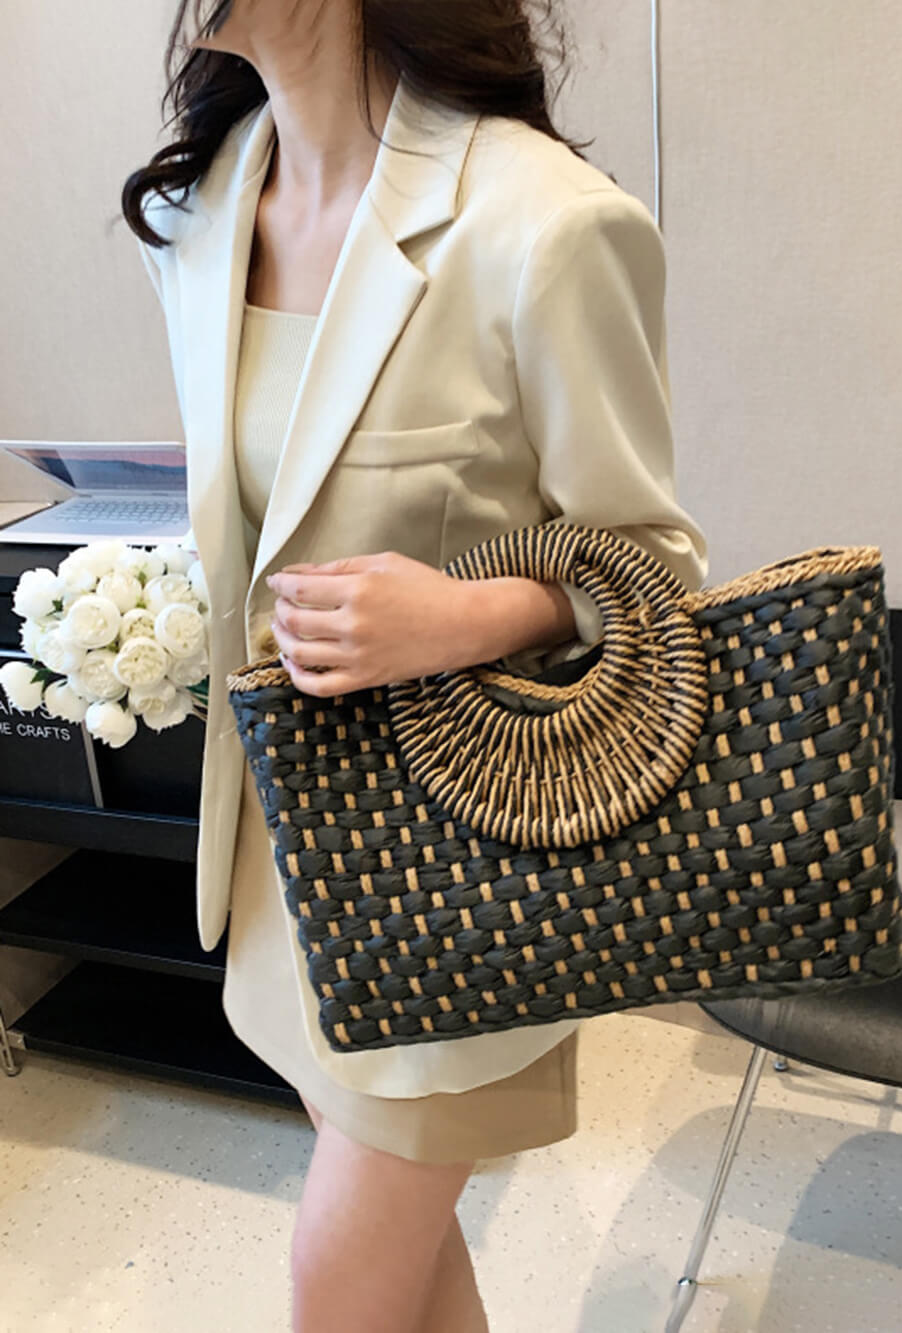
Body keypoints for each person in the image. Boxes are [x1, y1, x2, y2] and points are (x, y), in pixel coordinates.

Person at [123, 2, 709, 1329]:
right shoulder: (207, 206)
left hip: (460, 877)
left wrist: (460, 616)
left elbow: (658, 575)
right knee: (414, 1278)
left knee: (338, 1288)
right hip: (286, 857)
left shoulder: (543, 224)